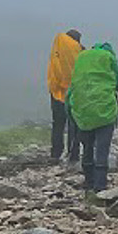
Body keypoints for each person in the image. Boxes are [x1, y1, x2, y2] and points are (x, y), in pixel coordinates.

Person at [66, 40, 118, 193]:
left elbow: (71, 91)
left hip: (82, 113)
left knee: (87, 147)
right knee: (102, 149)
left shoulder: (81, 63)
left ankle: (89, 182)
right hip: (105, 112)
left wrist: (71, 113)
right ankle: (100, 186)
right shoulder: (109, 61)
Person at [45, 28, 84, 165]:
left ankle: (56, 154)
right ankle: (73, 155)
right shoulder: (80, 50)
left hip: (57, 91)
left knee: (58, 123)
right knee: (73, 123)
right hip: (74, 92)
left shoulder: (58, 47)